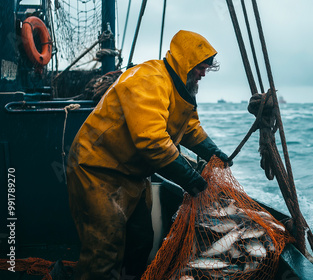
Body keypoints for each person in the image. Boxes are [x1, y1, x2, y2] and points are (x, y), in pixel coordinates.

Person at [66, 30, 231, 280]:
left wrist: (214, 152)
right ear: (184, 62)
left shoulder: (182, 88)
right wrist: (191, 180)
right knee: (104, 250)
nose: (203, 73)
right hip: (97, 169)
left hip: (133, 174)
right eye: (200, 67)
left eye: (206, 68)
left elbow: (189, 128)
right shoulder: (149, 79)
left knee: (141, 241)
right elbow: (152, 142)